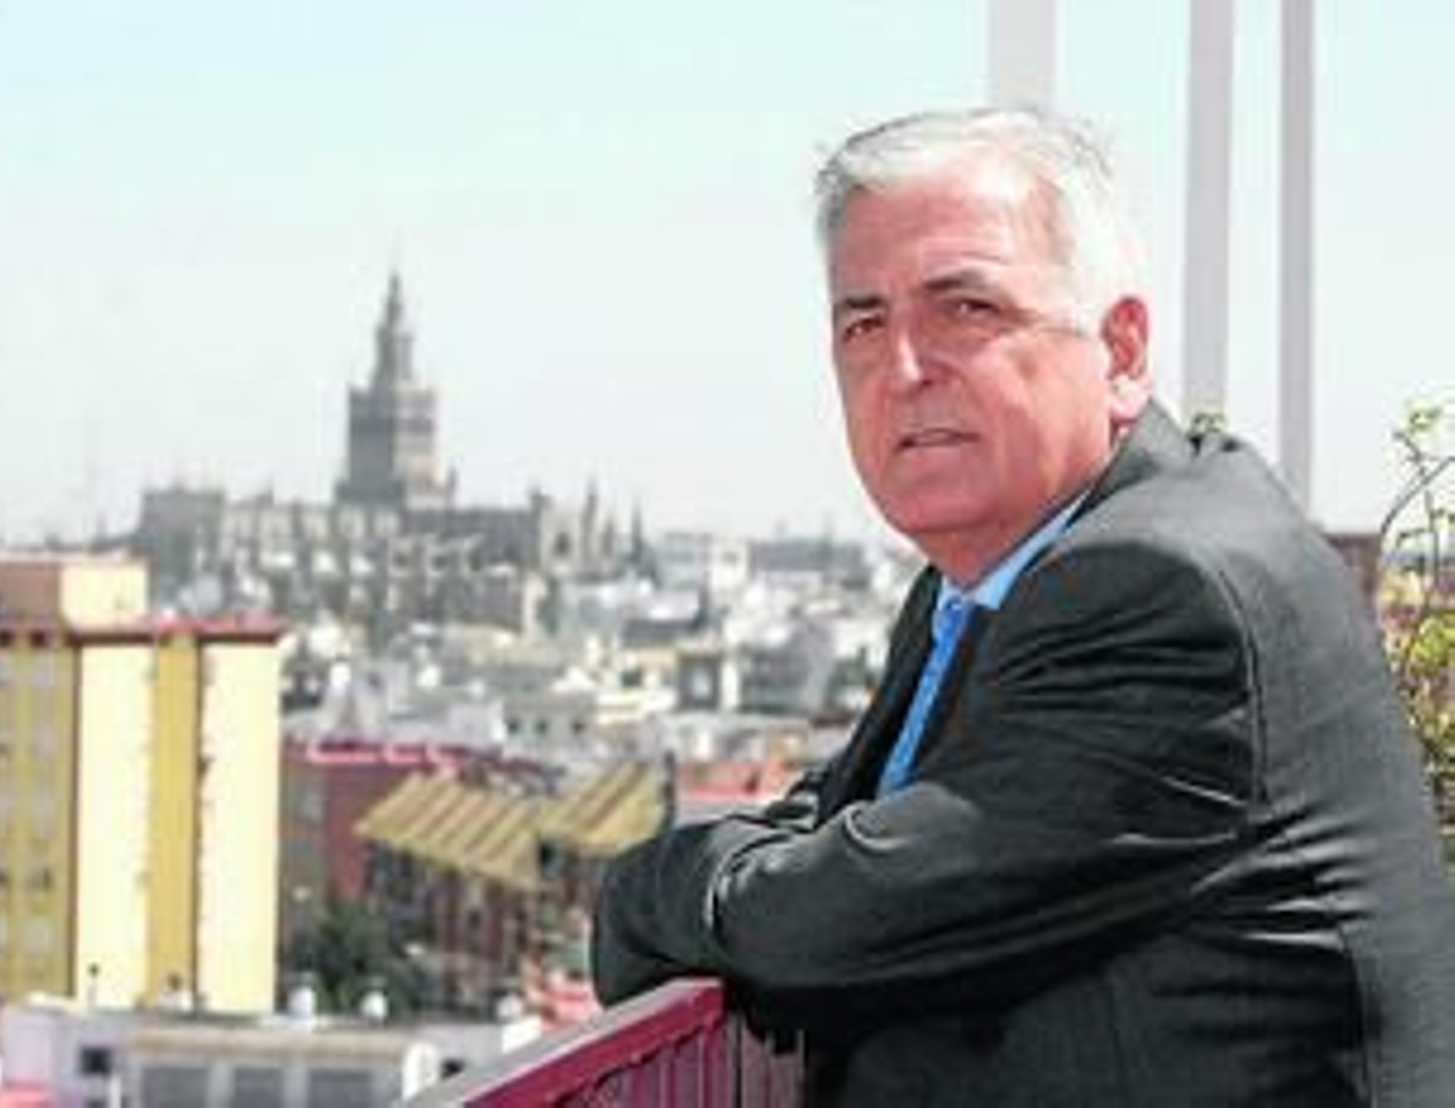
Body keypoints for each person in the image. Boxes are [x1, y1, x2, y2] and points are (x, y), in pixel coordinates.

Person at [591, 107, 1455, 1106]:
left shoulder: (1166, 588)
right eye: (864, 323)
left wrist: (647, 886)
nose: (905, 370)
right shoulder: (998, 570)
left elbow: (842, 920)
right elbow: (869, 817)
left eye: (967, 310)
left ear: (1120, 350)